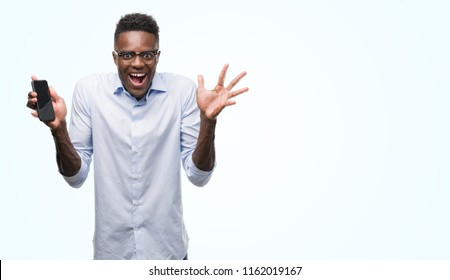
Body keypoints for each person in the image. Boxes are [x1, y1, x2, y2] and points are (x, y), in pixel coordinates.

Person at [26, 13, 248, 260]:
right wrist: (59, 129)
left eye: (147, 54)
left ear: (158, 56)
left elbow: (198, 175)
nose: (138, 63)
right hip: (112, 255)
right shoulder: (89, 91)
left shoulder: (182, 92)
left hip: (168, 255)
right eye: (127, 54)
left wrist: (208, 121)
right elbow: (75, 177)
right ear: (115, 57)